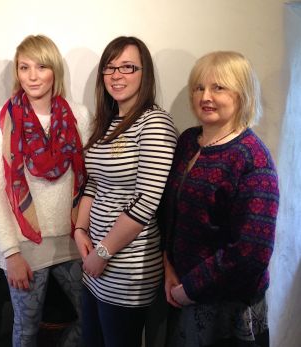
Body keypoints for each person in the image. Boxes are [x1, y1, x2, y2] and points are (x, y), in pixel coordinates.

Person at [160, 51, 279, 347]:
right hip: (178, 290)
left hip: (226, 310)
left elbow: (251, 252)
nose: (206, 96)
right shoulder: (188, 141)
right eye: (199, 87)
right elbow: (171, 214)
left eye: (219, 87)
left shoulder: (252, 159)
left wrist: (191, 288)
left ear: (242, 94)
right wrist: (168, 266)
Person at [0, 34, 91, 347]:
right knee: (27, 329)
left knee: (90, 319)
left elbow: (89, 181)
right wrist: (11, 252)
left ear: (54, 70)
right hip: (24, 244)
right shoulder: (0, 120)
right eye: (24, 67)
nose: (32, 76)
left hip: (72, 238)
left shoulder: (79, 115)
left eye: (41, 67)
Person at [72, 36, 177, 347]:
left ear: (145, 74)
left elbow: (146, 201)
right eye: (110, 67)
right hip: (95, 261)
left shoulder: (154, 123)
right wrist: (80, 229)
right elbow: (93, 182)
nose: (117, 75)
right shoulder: (106, 123)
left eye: (128, 67)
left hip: (127, 268)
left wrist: (104, 252)